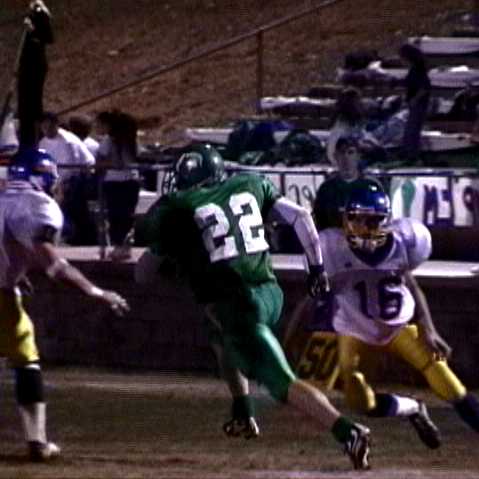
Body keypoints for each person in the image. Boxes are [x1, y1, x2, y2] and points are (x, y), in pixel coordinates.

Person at [135, 143, 372, 470]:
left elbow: (142, 274)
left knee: (281, 383)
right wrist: (316, 269)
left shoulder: (178, 209)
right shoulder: (248, 183)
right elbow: (301, 216)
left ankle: (348, 431)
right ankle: (243, 412)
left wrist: (165, 256)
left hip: (240, 307)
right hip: (270, 294)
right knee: (217, 331)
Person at [316, 180, 479, 449]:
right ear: (345, 218)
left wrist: (428, 328)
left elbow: (412, 285)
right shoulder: (330, 248)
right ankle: (412, 408)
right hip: (355, 332)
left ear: (386, 221)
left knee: (449, 383)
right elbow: (316, 295)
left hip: (400, 327)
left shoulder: (404, 242)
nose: (365, 228)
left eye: (373, 221)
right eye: (358, 219)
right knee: (360, 401)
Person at [1, 148, 129, 461]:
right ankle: (37, 441)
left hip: (5, 287)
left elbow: (10, 244)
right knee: (26, 359)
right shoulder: (38, 205)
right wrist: (97, 292)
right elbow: (54, 265)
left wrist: (15, 273)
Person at [39, 111, 96, 244]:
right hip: (56, 179)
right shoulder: (43, 142)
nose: (47, 130)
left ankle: (84, 238)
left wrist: (59, 184)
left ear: (56, 125)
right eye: (44, 127)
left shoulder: (68, 141)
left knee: (74, 207)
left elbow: (71, 167)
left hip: (79, 176)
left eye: (49, 127)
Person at [95, 110, 140, 261]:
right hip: (130, 181)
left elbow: (101, 161)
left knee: (118, 216)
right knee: (125, 216)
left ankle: (120, 246)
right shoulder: (130, 141)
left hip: (116, 182)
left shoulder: (111, 141)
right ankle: (123, 247)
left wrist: (107, 163)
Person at [313, 136, 381, 230]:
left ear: (358, 156)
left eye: (350, 152)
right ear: (335, 157)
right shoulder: (326, 189)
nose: (346, 158)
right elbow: (318, 222)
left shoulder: (371, 186)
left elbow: (382, 219)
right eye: (342, 153)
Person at [17, 1, 54, 148]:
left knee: (32, 103)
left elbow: (49, 38)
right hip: (25, 65)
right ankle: (25, 134)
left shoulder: (40, 12)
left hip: (34, 66)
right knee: (23, 103)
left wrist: (32, 31)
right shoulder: (30, 12)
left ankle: (34, 136)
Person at [326, 87, 384, 167]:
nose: (360, 103)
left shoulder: (356, 120)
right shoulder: (341, 123)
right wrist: (362, 145)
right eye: (357, 101)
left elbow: (362, 134)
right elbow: (339, 144)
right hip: (342, 158)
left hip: (356, 153)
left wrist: (373, 143)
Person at [399, 43, 431, 162]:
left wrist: (414, 99)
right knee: (410, 130)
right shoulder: (413, 70)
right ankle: (409, 153)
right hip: (414, 104)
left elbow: (424, 88)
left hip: (419, 104)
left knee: (412, 130)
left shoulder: (418, 70)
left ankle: (412, 155)